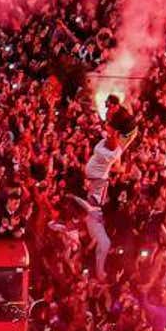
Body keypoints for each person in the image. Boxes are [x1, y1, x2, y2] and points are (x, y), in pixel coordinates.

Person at [70, 110, 136, 279]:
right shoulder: (114, 147)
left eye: (111, 131)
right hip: (96, 181)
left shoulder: (112, 148)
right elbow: (122, 141)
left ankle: (100, 270)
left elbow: (116, 139)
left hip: (96, 183)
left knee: (91, 208)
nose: (107, 134)